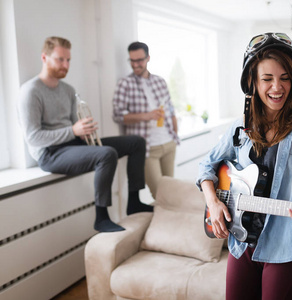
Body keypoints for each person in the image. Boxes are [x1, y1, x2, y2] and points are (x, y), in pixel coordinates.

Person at [196, 33, 292, 300]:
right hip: (241, 245)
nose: (277, 87)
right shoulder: (239, 126)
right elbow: (206, 166)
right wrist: (213, 202)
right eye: (267, 79)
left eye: (285, 78)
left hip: (286, 248)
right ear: (252, 83)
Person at [17, 36, 153, 233]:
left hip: (72, 144)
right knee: (106, 154)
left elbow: (74, 126)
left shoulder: (68, 90)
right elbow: (33, 137)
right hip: (50, 153)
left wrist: (83, 131)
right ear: (44, 58)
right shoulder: (30, 91)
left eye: (68, 60)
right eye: (60, 59)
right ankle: (101, 217)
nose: (66, 65)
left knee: (136, 142)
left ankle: (134, 202)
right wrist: (73, 130)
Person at [113, 42, 179, 200]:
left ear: (148, 58)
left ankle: (168, 223)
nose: (136, 64)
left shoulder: (159, 81)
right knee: (159, 195)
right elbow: (118, 115)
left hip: (168, 143)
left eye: (140, 60)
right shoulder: (125, 84)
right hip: (148, 148)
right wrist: (146, 115)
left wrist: (175, 134)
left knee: (170, 191)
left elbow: (170, 109)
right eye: (132, 61)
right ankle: (162, 223)